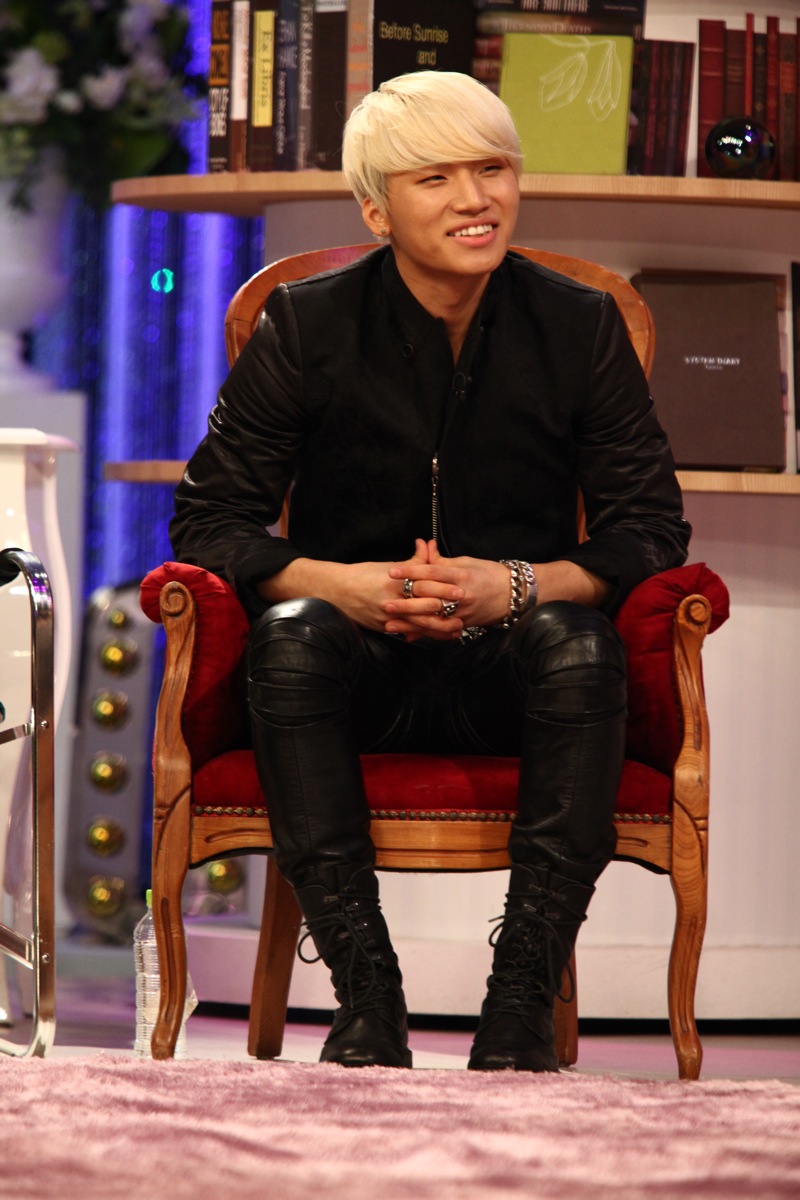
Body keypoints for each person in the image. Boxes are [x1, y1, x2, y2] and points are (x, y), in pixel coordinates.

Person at [170, 71, 690, 1072]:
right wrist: (340, 586)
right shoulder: (306, 325)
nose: (474, 199)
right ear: (376, 210)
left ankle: (519, 1002)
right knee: (290, 640)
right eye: (435, 178)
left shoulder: (579, 326)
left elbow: (649, 530)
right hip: (355, 677)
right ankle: (367, 999)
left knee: (579, 646)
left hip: (513, 677)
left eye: (492, 169)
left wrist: (518, 585)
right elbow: (208, 520)